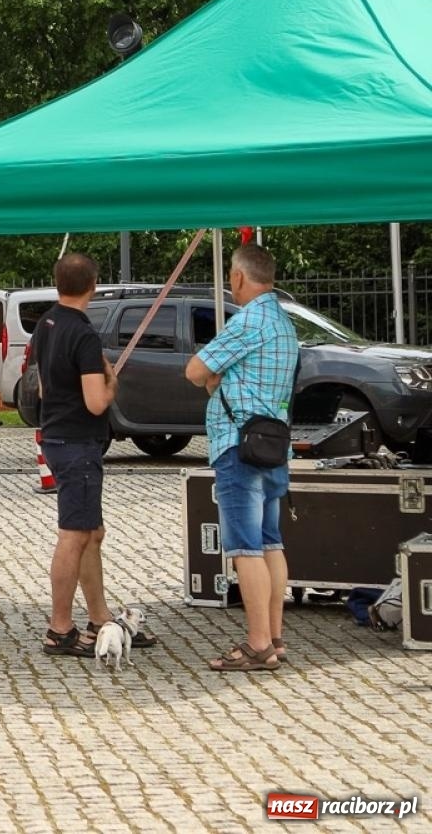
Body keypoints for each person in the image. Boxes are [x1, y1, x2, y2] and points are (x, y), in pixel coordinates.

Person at [185, 244, 300, 672]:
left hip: (239, 446)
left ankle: (256, 645)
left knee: (245, 548)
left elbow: (196, 371)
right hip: (274, 445)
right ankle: (273, 636)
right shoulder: (284, 322)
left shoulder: (248, 321)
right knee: (271, 542)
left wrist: (217, 379)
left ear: (236, 278)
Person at [34, 252, 155, 657]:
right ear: (94, 286)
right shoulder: (83, 335)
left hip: (55, 435)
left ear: (57, 284)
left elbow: (41, 389)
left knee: (91, 532)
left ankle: (99, 615)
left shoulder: (47, 324)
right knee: (75, 535)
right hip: (77, 443)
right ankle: (60, 629)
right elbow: (96, 403)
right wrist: (111, 383)